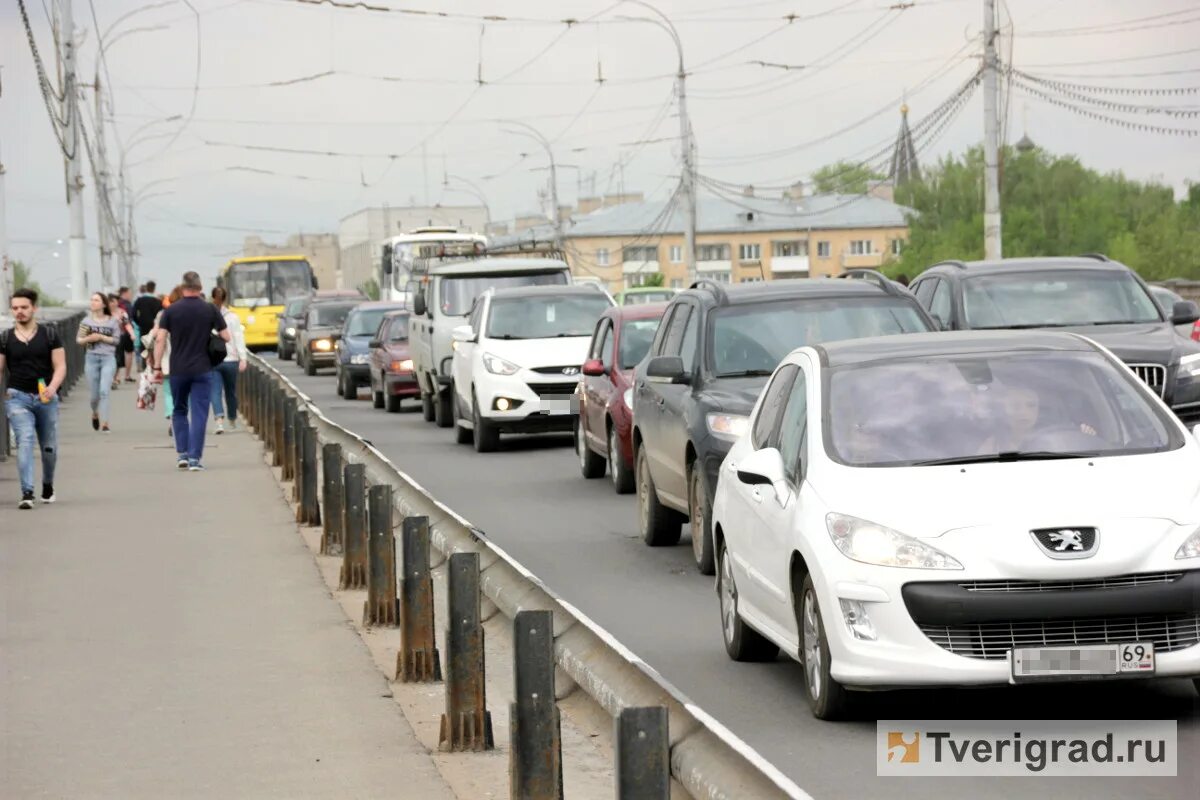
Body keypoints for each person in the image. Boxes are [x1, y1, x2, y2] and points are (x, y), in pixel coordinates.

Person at [153, 271, 230, 471]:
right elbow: (227, 337)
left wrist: (156, 367)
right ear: (200, 287)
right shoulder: (210, 309)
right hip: (202, 368)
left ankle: (182, 455)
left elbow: (160, 339)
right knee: (199, 413)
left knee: (179, 410)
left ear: (182, 287)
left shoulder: (171, 311)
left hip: (178, 369)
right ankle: (195, 459)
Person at [1, 288, 67, 509]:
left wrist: (53, 387)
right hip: (17, 396)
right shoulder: (5, 338)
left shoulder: (49, 335)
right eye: (15, 308)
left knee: (49, 447)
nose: (19, 312)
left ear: (34, 309)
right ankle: (27, 492)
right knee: (25, 440)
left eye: (24, 307)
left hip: (45, 397)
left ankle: (47, 484)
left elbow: (60, 366)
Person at [77, 292, 122, 433]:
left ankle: (105, 423)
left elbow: (116, 340)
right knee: (94, 395)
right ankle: (95, 412)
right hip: (91, 358)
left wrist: (101, 337)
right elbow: (79, 340)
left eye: (96, 300)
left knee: (104, 391)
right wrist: (89, 338)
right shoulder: (86, 321)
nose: (93, 303)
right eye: (91, 300)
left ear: (103, 304)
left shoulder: (112, 321)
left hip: (108, 358)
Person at [208, 287, 248, 434]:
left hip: (213, 360)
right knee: (230, 391)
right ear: (225, 299)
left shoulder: (207, 315)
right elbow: (239, 338)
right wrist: (243, 358)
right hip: (231, 359)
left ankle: (219, 422)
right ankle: (232, 418)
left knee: (215, 391)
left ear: (213, 298)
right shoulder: (233, 317)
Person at [132, 280, 162, 370]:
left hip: (143, 326)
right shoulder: (157, 301)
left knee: (144, 345)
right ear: (154, 289)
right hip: (154, 326)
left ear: (146, 288)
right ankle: (153, 364)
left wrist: (138, 322)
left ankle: (145, 365)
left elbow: (133, 313)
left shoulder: (139, 300)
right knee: (154, 345)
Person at [115, 287, 136, 384]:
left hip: (116, 333)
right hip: (126, 332)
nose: (130, 295)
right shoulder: (127, 305)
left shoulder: (116, 303)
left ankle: (116, 376)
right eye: (129, 293)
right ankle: (127, 375)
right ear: (125, 293)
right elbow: (131, 318)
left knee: (117, 354)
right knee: (129, 352)